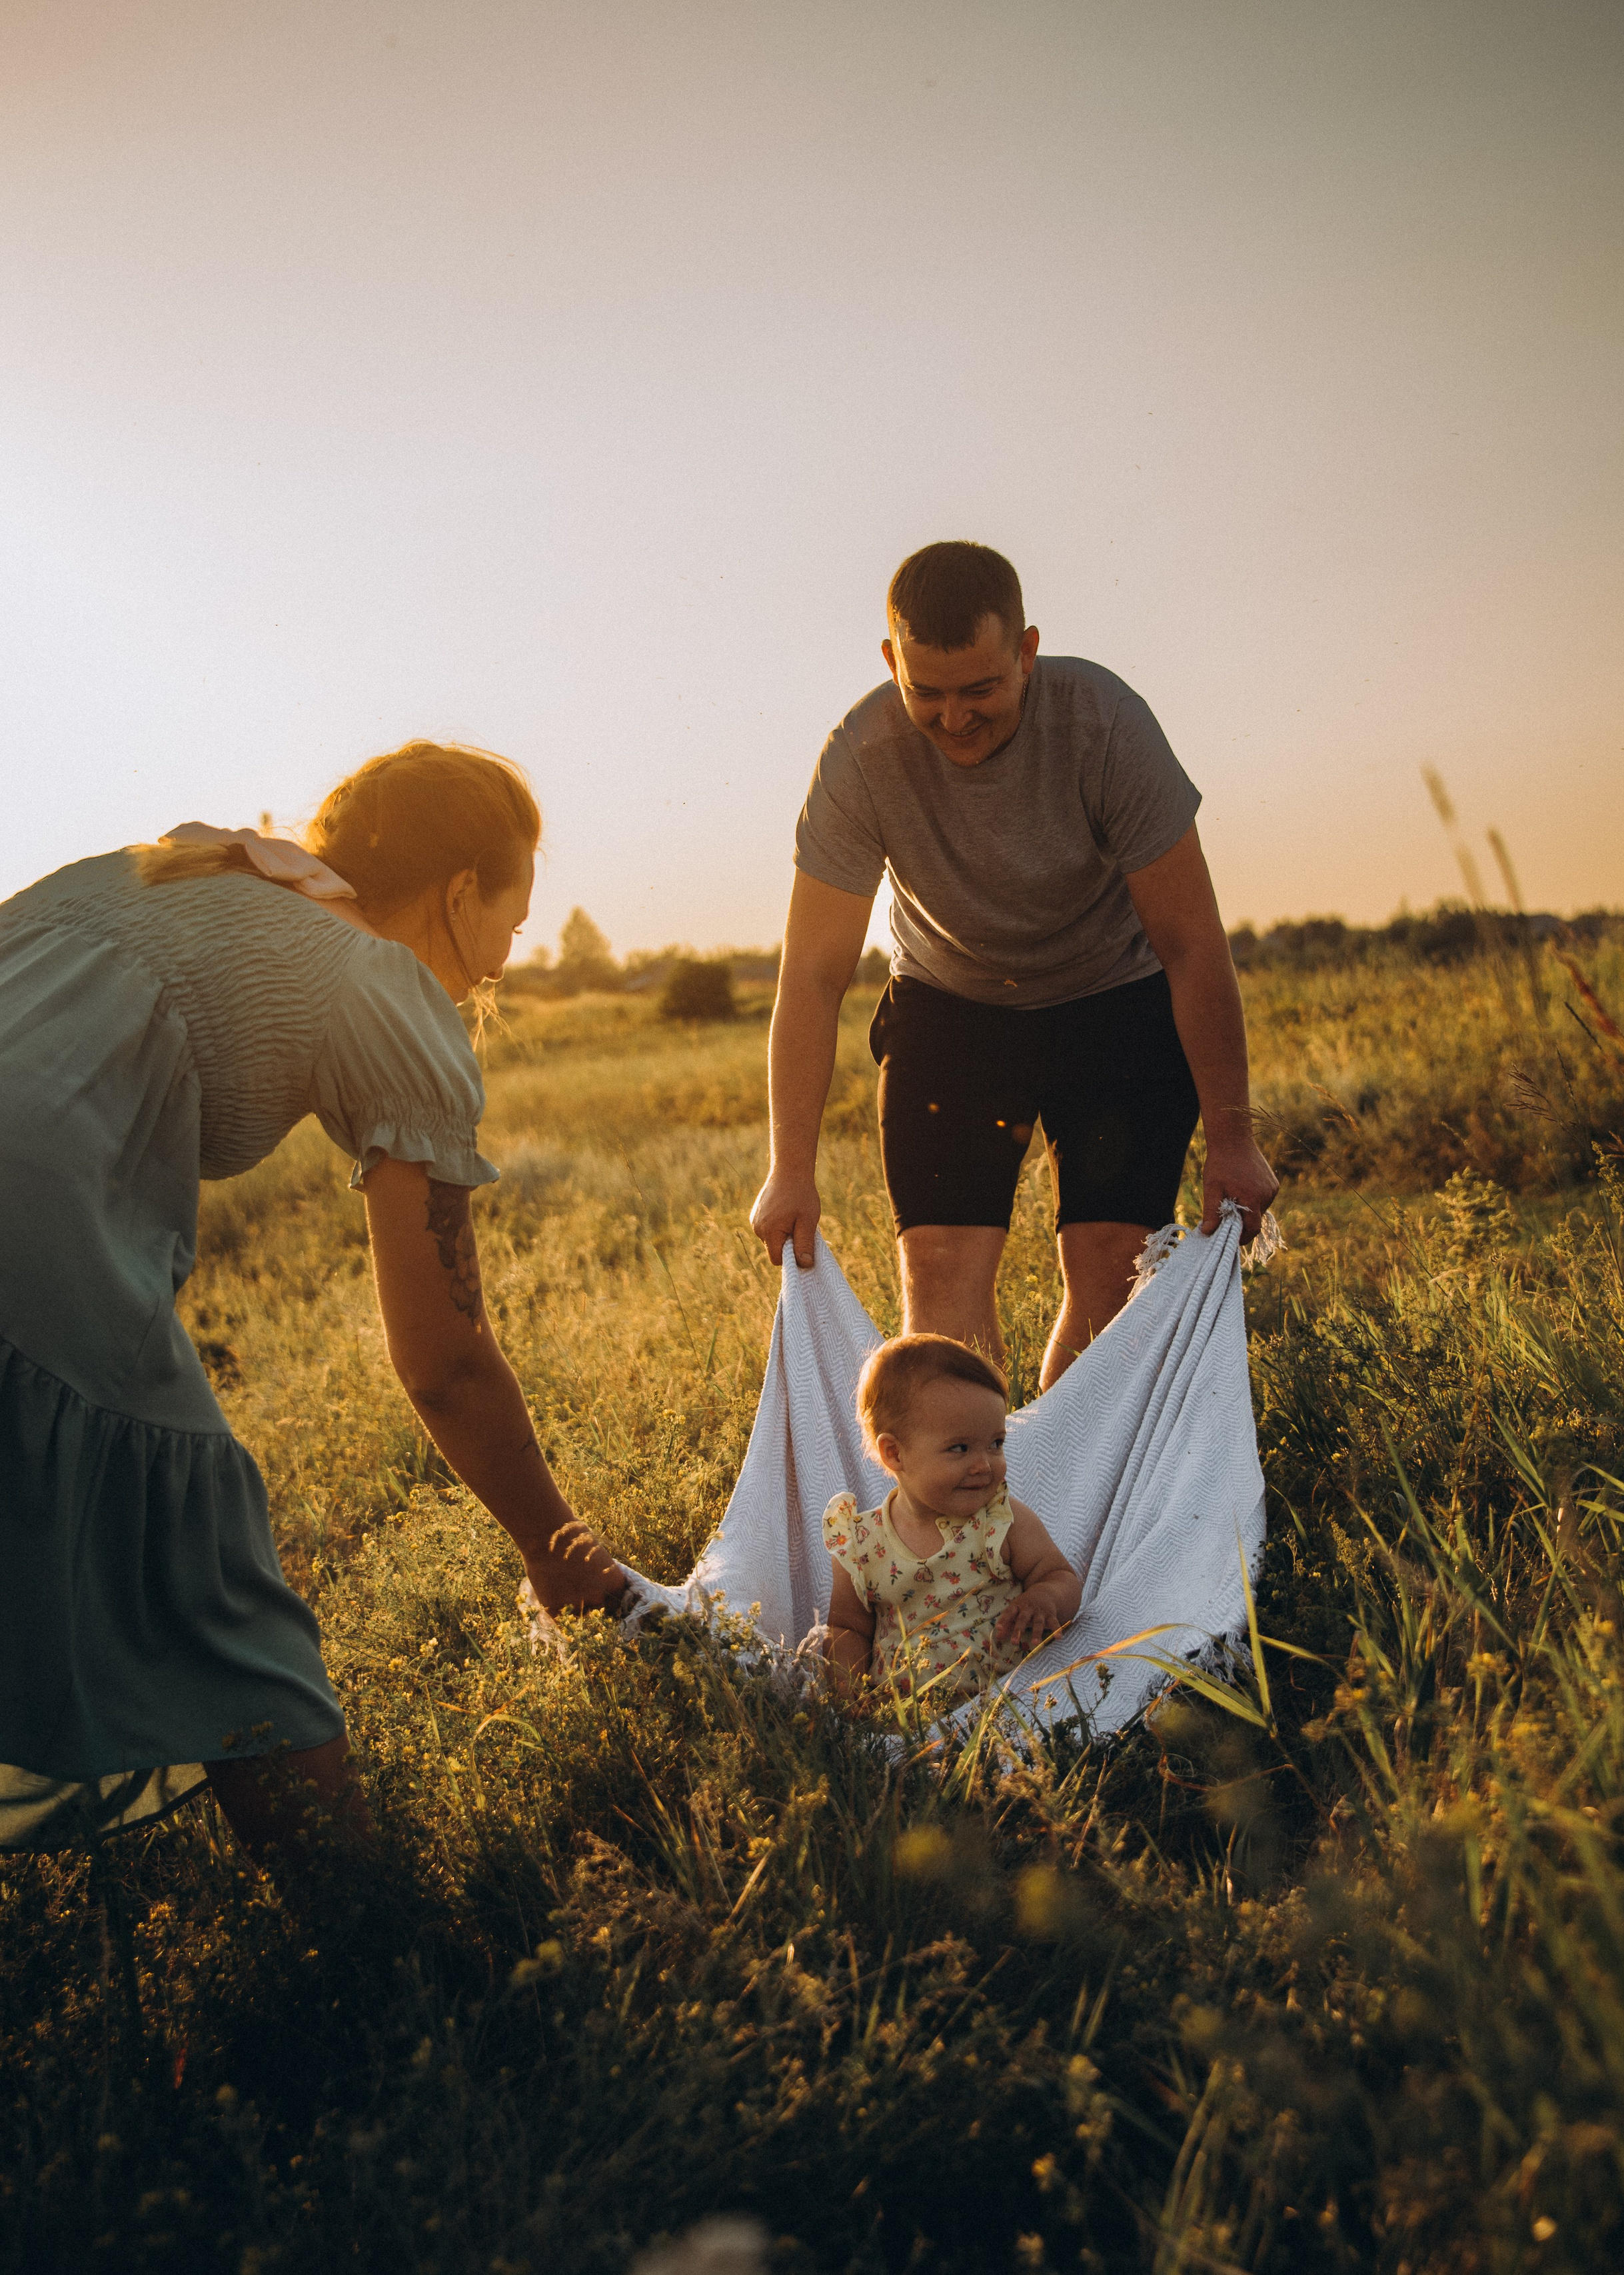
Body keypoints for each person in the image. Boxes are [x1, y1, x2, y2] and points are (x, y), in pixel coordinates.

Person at [0, 743, 632, 1880]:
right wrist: (558, 1553)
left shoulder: (160, 870)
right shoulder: (377, 980)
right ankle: (369, 1942)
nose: (503, 959)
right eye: (514, 920)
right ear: (460, 895)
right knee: (219, 1598)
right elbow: (444, 1360)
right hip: (30, 1230)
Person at [750, 541, 1279, 1387]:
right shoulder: (861, 754)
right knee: (938, 1272)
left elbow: (1191, 944)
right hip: (951, 1006)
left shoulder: (1105, 725)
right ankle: (969, 1471)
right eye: (926, 692)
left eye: (979, 689)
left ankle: (1062, 1466)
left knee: (1109, 1271)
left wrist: (1234, 1139)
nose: (954, 718)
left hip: (1111, 1000)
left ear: (1027, 652)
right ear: (891, 662)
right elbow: (811, 977)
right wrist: (789, 1170)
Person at [821, 1334, 1081, 1706]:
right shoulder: (861, 1543)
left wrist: (1045, 1597)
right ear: (894, 1453)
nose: (984, 1465)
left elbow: (1060, 1576)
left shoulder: (999, 1521)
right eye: (960, 1448)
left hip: (1011, 1700)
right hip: (904, 1715)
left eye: (996, 1443)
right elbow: (847, 1628)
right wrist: (850, 1694)